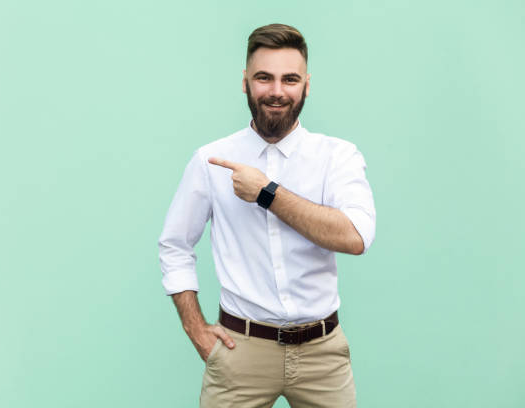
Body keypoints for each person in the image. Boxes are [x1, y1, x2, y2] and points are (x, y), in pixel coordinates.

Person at [158, 23, 376, 408]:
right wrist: (196, 329)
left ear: (306, 85)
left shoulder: (337, 157)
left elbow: (355, 237)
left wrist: (267, 193)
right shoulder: (210, 160)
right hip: (240, 351)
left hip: (323, 354)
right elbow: (175, 246)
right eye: (264, 78)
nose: (277, 91)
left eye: (289, 79)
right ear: (245, 82)